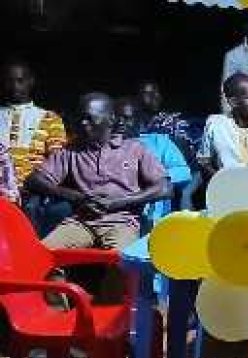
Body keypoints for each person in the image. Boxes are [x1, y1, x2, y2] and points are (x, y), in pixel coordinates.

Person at [25, 93, 169, 252]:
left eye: (89, 118)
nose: (83, 123)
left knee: (124, 263)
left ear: (111, 120)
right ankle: (64, 278)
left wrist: (120, 201)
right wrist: (76, 197)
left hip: (121, 222)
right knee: (43, 256)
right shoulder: (72, 151)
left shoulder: (134, 149)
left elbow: (164, 188)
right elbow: (34, 180)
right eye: (80, 118)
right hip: (81, 222)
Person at [0, 58, 66, 203]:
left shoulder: (49, 118)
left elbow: (58, 161)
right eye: (8, 81)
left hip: (33, 191)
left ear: (31, 81)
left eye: (20, 80)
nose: (14, 86)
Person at [137, 81, 197, 163]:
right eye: (147, 93)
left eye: (156, 92)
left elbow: (186, 152)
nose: (154, 96)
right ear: (138, 97)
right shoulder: (134, 123)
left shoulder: (174, 122)